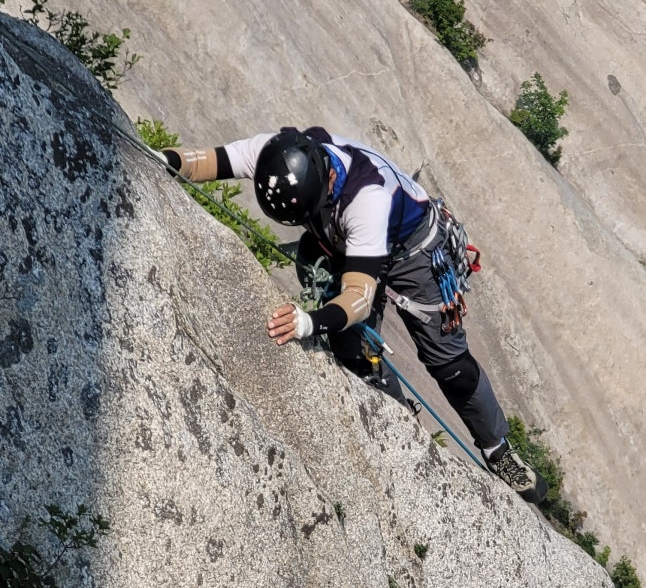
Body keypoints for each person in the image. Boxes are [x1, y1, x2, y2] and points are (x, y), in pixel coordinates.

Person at [161, 127, 547, 501]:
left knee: (451, 367)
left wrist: (310, 321)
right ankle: (399, 420)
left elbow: (359, 298)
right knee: (354, 352)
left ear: (328, 177)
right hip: (345, 242)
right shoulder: (281, 155)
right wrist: (165, 160)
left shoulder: (367, 199)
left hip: (413, 251)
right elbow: (212, 160)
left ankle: (498, 449)